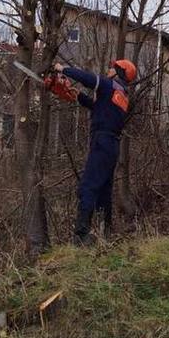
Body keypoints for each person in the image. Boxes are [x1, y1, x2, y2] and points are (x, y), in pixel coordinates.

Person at [53, 59, 136, 244]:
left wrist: (63, 69)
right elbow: (99, 108)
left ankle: (81, 234)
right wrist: (78, 96)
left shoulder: (108, 85)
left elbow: (88, 79)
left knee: (88, 186)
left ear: (118, 72)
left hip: (102, 141)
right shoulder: (122, 94)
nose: (108, 70)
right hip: (112, 144)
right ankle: (105, 232)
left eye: (112, 68)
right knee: (104, 190)